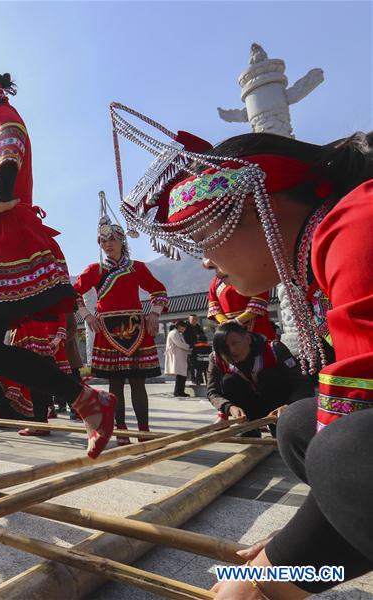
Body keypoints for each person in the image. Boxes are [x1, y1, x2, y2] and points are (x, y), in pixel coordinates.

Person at [110, 102, 372, 596]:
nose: (205, 260)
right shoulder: (325, 250)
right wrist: (299, 546)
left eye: (207, 235)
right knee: (300, 424)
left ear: (264, 206)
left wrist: (266, 573)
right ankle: (307, 568)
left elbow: (359, 418)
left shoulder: (358, 230)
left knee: (341, 450)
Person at [0, 40, 115, 480]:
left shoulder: (2, 117)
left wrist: (5, 196)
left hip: (9, 241)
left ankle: (87, 399)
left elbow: (11, 148)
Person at [74, 193, 169, 444]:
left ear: (122, 241)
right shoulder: (95, 270)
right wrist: (87, 315)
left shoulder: (137, 267)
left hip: (137, 328)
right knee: (115, 385)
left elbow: (159, 291)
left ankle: (144, 430)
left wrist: (154, 314)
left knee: (139, 383)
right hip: (107, 330)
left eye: (112, 239)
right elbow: (73, 294)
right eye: (103, 241)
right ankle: (122, 430)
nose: (107, 244)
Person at [207, 322, 312, 437]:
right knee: (229, 381)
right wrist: (229, 407)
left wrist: (288, 405)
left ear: (248, 339)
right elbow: (213, 392)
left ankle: (279, 427)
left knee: (269, 376)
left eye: (234, 343)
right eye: (225, 347)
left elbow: (302, 383)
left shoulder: (274, 349)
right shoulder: (216, 358)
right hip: (248, 409)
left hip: (279, 407)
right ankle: (249, 428)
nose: (231, 350)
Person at [165, 320, 191, 398]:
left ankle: (181, 391)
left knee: (182, 374)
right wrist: (188, 347)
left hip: (179, 356)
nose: (184, 330)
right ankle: (178, 392)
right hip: (176, 356)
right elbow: (179, 343)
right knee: (180, 375)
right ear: (179, 326)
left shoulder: (177, 333)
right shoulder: (174, 333)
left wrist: (187, 347)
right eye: (184, 328)